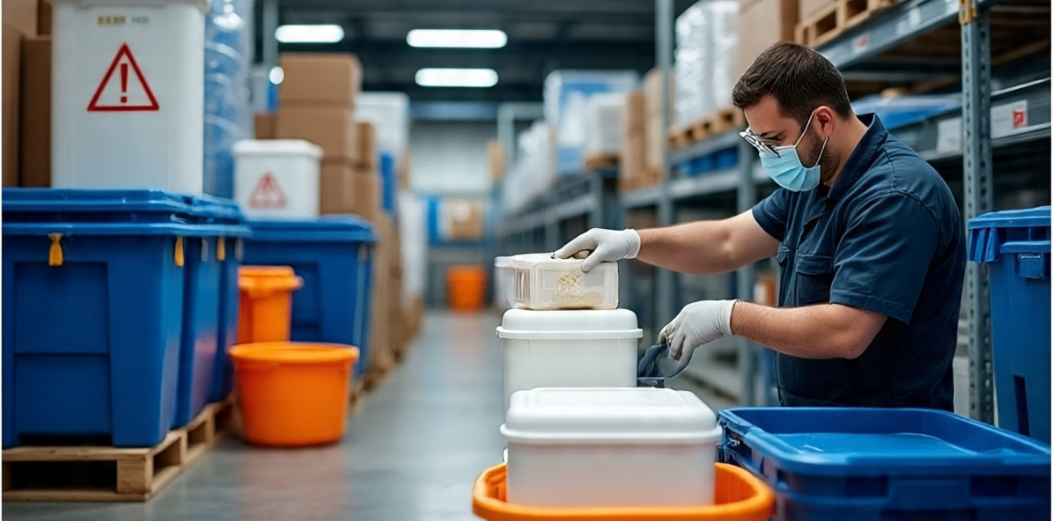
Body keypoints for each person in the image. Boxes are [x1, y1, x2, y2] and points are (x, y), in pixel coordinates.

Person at [554, 42, 966, 411]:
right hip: (822, 427)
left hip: (887, 441)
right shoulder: (815, 178)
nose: (769, 155)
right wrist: (631, 242)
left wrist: (728, 316)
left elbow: (846, 331)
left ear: (823, 121)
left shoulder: (895, 195)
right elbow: (729, 241)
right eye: (759, 142)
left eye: (774, 139)